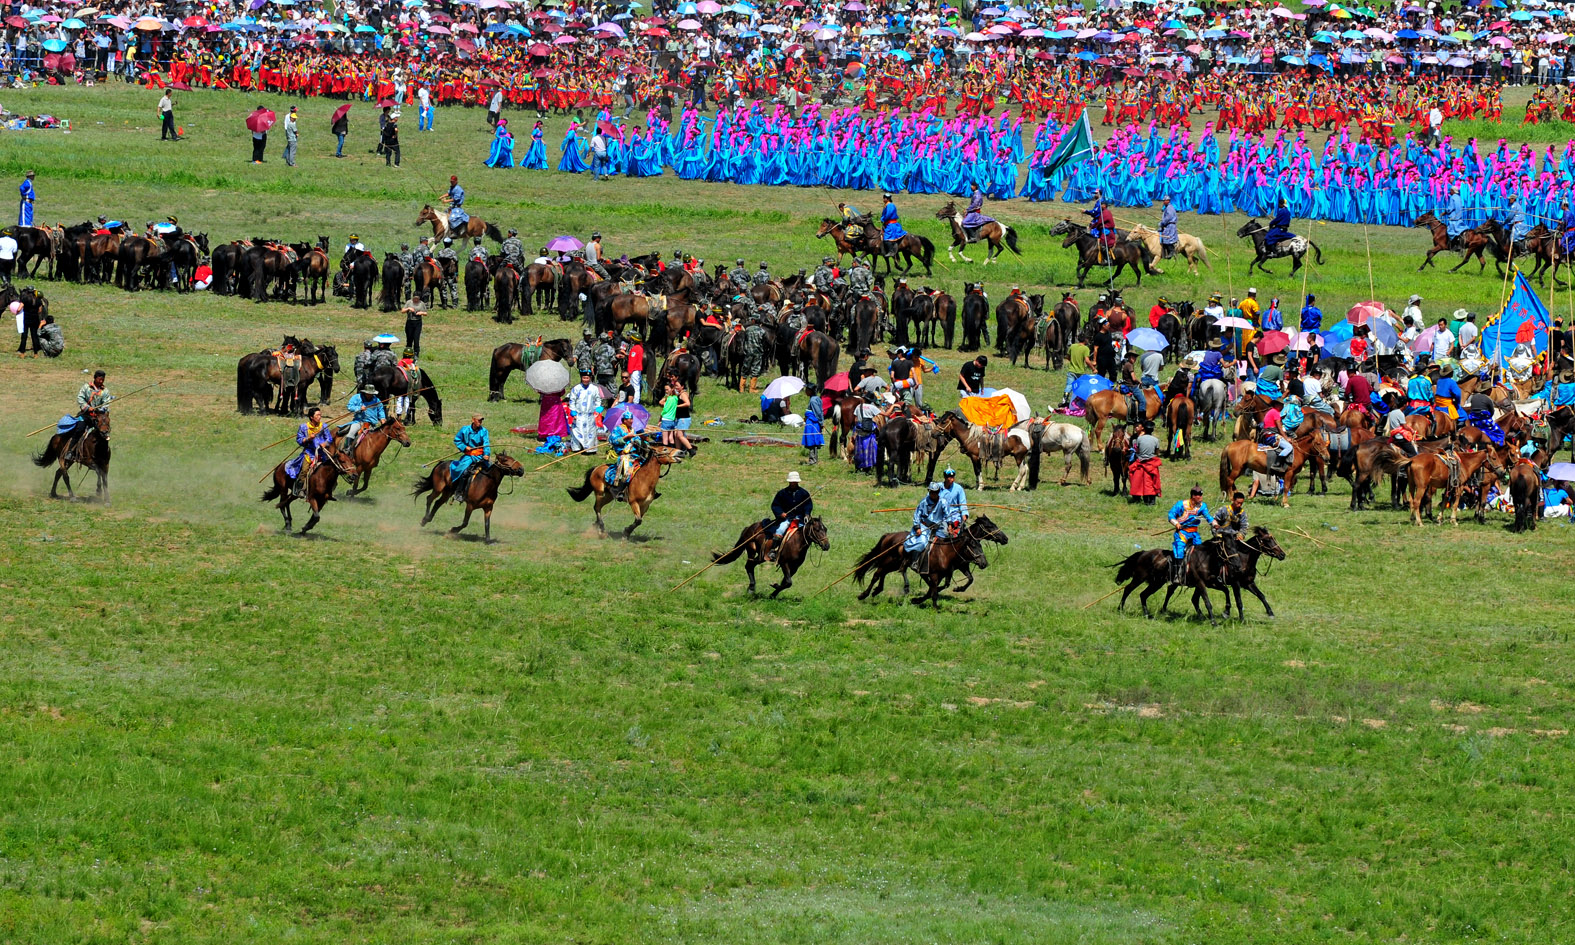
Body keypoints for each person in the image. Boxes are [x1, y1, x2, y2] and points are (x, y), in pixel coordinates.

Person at [285, 406, 334, 497]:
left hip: (322, 453)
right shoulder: (303, 427)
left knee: (331, 470)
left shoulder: (324, 426)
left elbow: (329, 439)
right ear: (312, 417)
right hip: (309, 453)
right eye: (318, 415)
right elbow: (299, 440)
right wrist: (308, 438)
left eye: (320, 415)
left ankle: (329, 491)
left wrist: (325, 443)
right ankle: (300, 489)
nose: (320, 417)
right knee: (304, 470)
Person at [1167, 486, 1212, 585]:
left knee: (1201, 551)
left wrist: (1215, 524)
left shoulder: (1202, 506)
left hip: (1194, 533)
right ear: (1193, 496)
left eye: (1201, 495)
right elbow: (1171, 515)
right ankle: (1177, 575)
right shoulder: (1181, 505)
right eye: (1199, 495)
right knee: (1179, 549)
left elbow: (1208, 517)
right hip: (1182, 533)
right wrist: (1176, 523)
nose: (1201, 497)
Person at [765, 470, 813, 561]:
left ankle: (801, 552)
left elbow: (808, 505)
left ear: (798, 482)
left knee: (806, 533)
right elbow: (775, 505)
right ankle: (773, 550)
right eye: (792, 482)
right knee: (780, 529)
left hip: (800, 519)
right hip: (787, 519)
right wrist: (780, 513)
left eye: (795, 482)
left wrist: (807, 514)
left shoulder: (804, 493)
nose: (793, 483)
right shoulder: (782, 493)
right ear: (789, 482)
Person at [905, 482, 948, 575]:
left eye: (936, 492)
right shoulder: (923, 502)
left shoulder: (943, 502)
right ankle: (915, 561)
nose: (934, 494)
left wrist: (950, 525)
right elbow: (917, 515)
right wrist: (917, 527)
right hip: (925, 526)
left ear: (938, 492)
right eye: (932, 492)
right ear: (929, 491)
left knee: (949, 540)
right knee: (922, 542)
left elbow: (947, 515)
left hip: (938, 527)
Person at [448, 413, 492, 497]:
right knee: (463, 471)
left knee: (490, 470)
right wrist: (464, 447)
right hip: (469, 456)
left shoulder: (484, 431)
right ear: (473, 420)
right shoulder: (464, 430)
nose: (480, 422)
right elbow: (457, 440)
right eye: (478, 420)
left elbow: (486, 444)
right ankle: (459, 492)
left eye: (481, 420)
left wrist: (486, 454)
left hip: (481, 455)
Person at [567, 369, 603, 452]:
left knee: (590, 431)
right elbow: (572, 400)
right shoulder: (576, 388)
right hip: (579, 414)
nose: (585, 380)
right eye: (584, 378)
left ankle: (590, 449)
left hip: (590, 414)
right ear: (581, 378)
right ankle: (576, 447)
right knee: (577, 431)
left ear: (590, 378)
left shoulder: (594, 388)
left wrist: (598, 408)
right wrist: (573, 411)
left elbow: (598, 399)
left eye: (587, 378)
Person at [1129, 421, 1162, 504]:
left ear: (1144, 429)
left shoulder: (1139, 439)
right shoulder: (1156, 440)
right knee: (1152, 482)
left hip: (1141, 463)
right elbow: (1157, 452)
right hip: (1151, 464)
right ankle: (1152, 500)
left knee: (1139, 481)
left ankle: (1139, 498)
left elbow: (1137, 450)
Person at [1212, 492, 1249, 565]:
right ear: (1233, 500)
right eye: (1238, 503)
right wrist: (1217, 533)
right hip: (1221, 538)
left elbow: (1244, 526)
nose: (1239, 505)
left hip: (1234, 539)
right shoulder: (1223, 510)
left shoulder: (1242, 513)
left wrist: (1241, 534)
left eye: (1241, 503)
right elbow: (1214, 521)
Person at [937, 466, 969, 530]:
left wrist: (964, 514)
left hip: (955, 515)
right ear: (945, 478)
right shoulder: (937, 487)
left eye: (953, 477)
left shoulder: (958, 489)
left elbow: (962, 503)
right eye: (949, 477)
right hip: (941, 515)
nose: (951, 479)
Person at [879, 193, 906, 258]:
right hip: (888, 223)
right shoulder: (886, 205)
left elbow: (888, 214)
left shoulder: (890, 205)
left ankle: (891, 251)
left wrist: (883, 219)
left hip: (891, 225)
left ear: (887, 199)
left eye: (884, 198)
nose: (883, 199)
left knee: (887, 238)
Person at [802, 385, 824, 465]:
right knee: (814, 440)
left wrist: (821, 423)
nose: (806, 392)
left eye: (807, 390)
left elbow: (818, 412)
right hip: (813, 423)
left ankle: (812, 460)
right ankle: (814, 459)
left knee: (812, 441)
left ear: (811, 391)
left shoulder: (813, 401)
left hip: (812, 423)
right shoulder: (817, 398)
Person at [435, 238, 459, 308]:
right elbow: (456, 262)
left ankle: (444, 304)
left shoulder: (440, 252)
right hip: (451, 274)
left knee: (443, 289)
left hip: (442, 274)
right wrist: (456, 274)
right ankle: (455, 305)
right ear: (450, 244)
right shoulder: (453, 252)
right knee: (453, 289)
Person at [626, 336, 645, 402]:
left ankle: (635, 401)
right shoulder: (640, 348)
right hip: (638, 370)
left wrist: (629, 371)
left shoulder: (634, 349)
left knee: (635, 387)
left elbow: (632, 361)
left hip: (634, 370)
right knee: (636, 386)